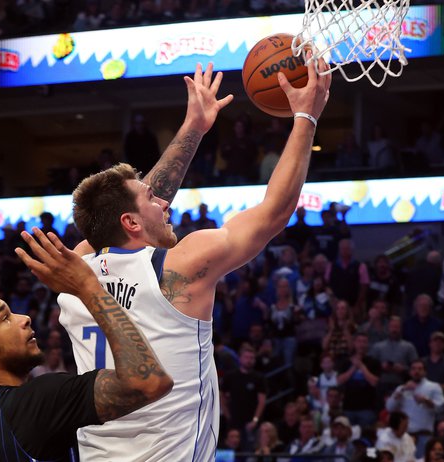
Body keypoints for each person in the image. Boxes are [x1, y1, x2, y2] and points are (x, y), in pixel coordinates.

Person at [27, 58, 331, 461]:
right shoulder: (177, 268)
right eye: (153, 199)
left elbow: (113, 217)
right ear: (131, 221)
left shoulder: (73, 271)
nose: (165, 201)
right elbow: (275, 211)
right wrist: (307, 114)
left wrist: (193, 129)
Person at [0, 235, 173, 462]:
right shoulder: (39, 400)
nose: (24, 318)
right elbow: (149, 382)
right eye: (5, 318)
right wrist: (88, 286)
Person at [386, 359, 444, 457]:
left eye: (420, 369)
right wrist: (402, 390)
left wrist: (426, 400)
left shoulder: (433, 387)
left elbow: (441, 408)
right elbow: (389, 407)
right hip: (405, 436)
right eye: (413, 369)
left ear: (425, 372)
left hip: (424, 435)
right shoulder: (402, 388)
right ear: (410, 372)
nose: (416, 371)